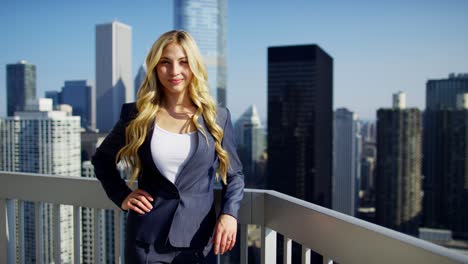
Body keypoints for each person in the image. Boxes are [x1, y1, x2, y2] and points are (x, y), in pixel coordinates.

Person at [91, 30, 244, 264]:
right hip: (145, 243)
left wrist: (229, 214)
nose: (174, 71)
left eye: (183, 62)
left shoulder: (217, 118)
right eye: (165, 62)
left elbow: (234, 175)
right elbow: (102, 160)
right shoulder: (136, 114)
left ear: (194, 66)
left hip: (198, 243)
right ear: (154, 67)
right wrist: (122, 195)